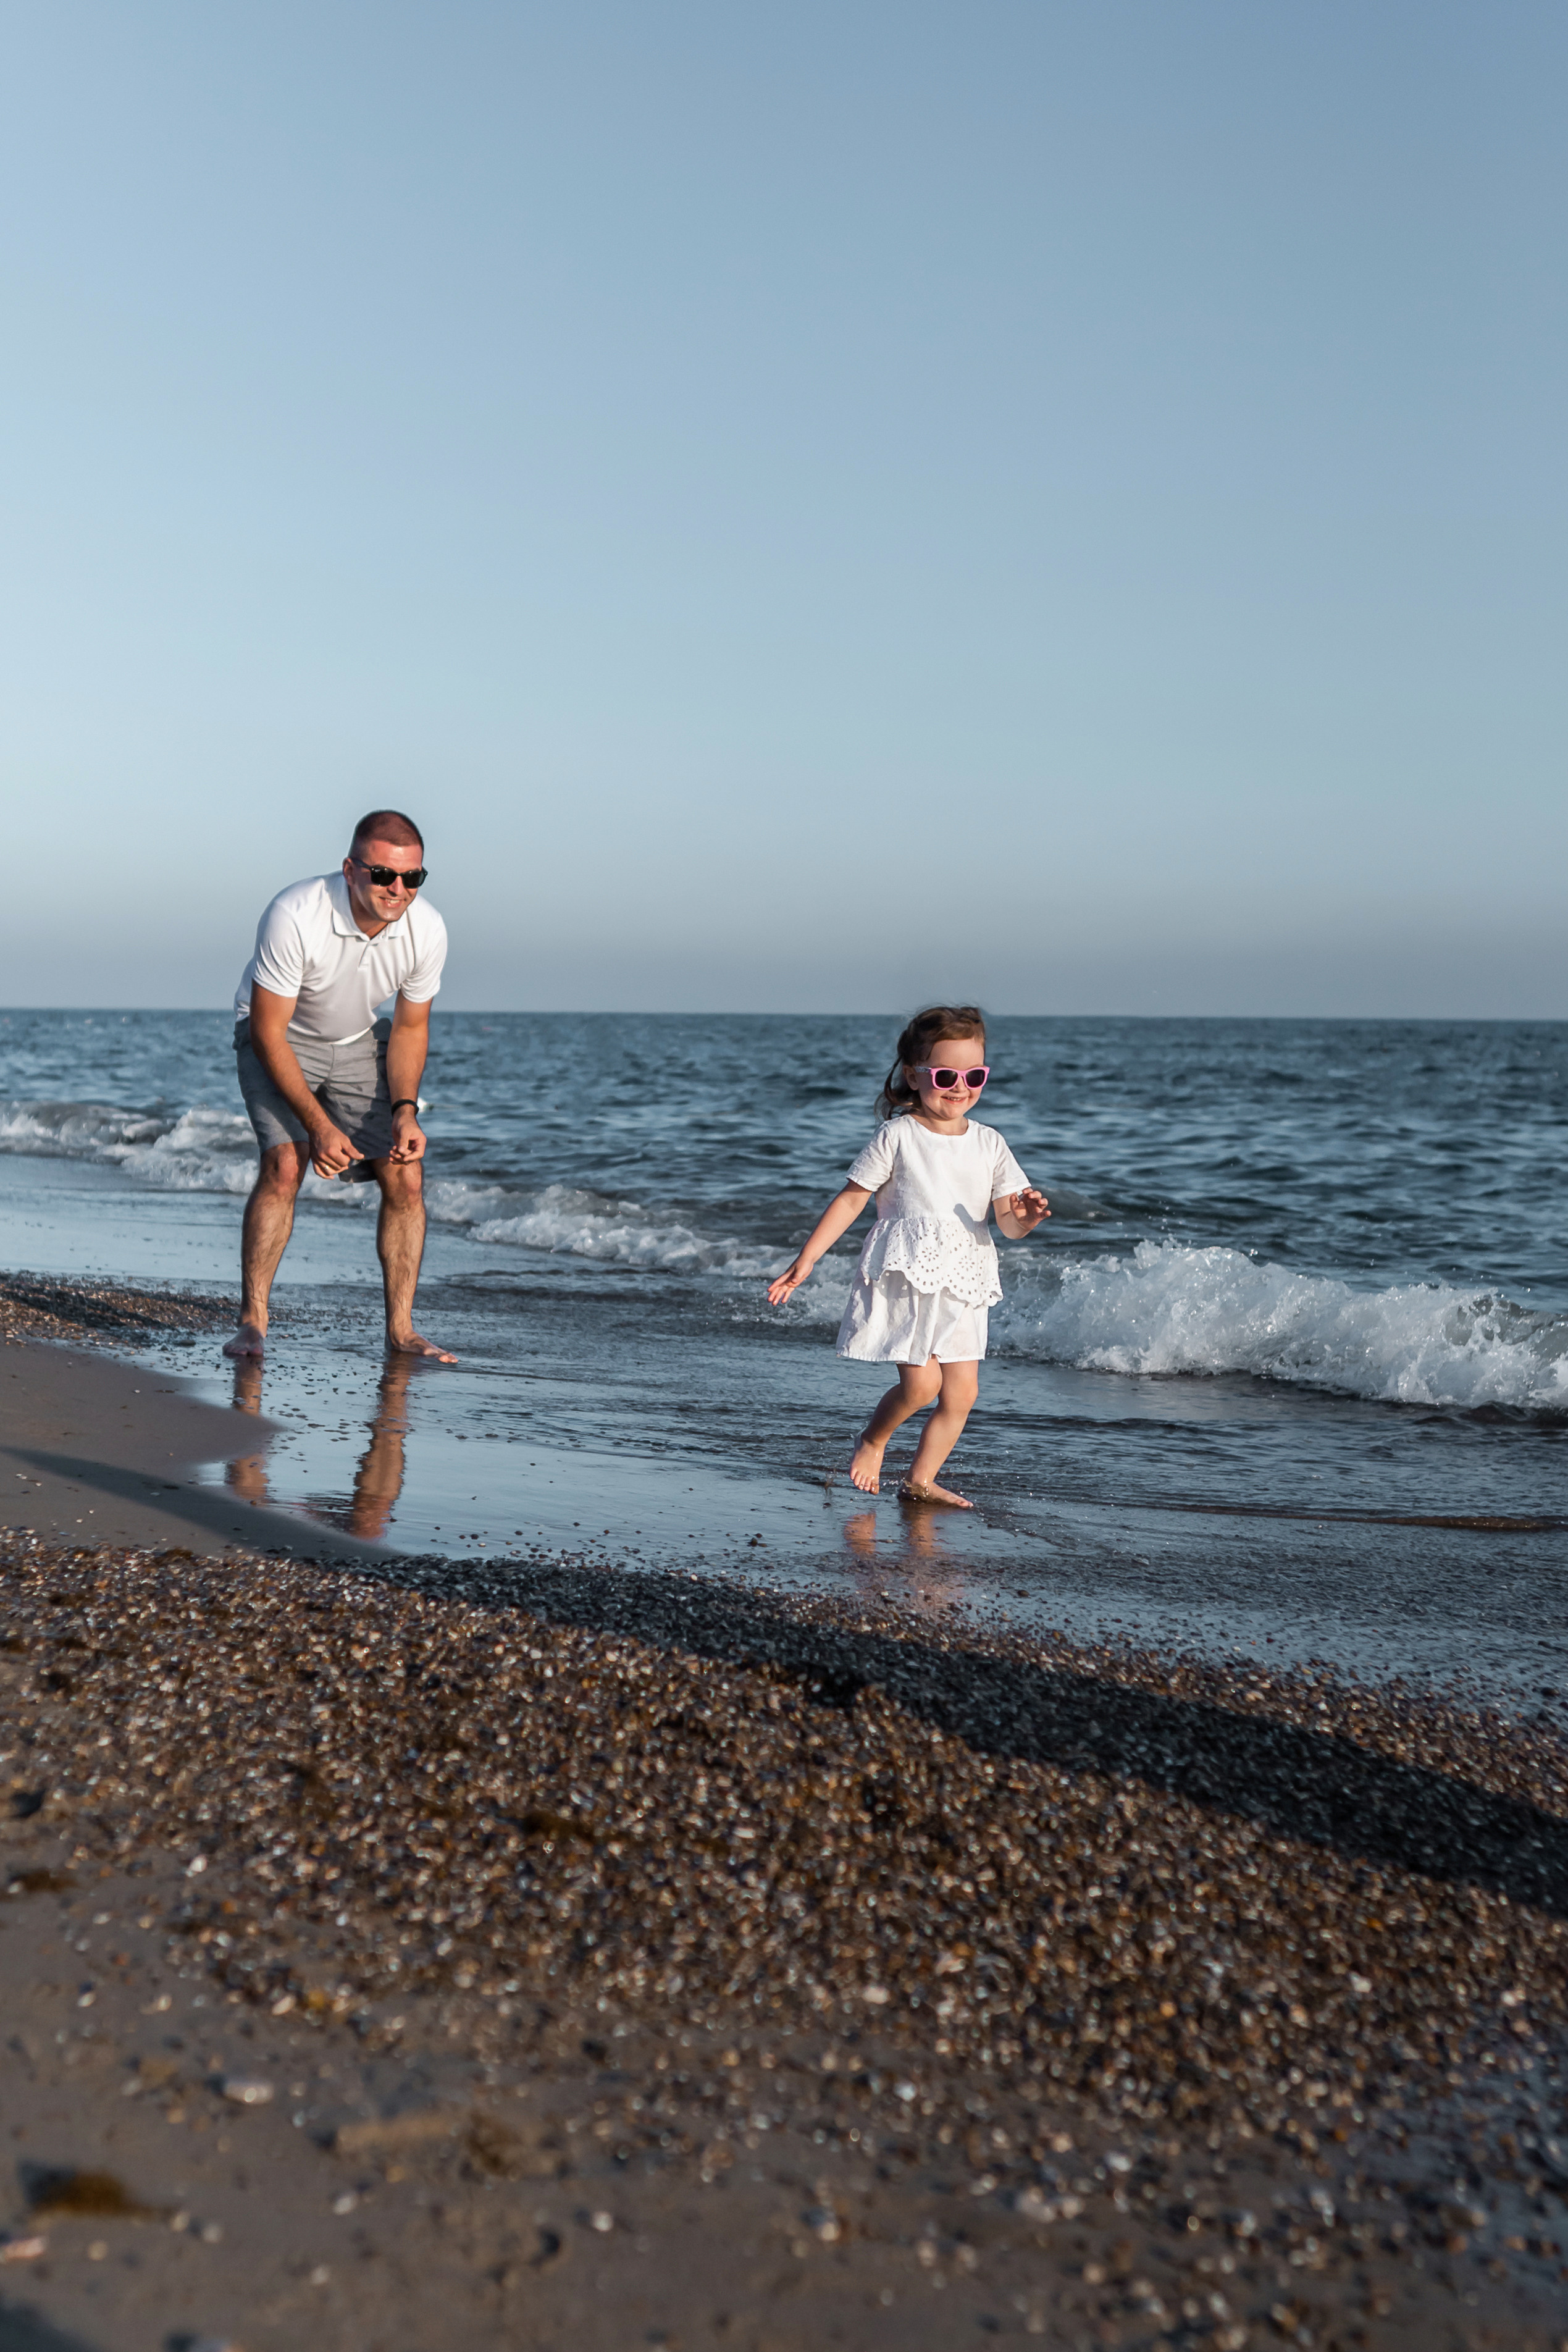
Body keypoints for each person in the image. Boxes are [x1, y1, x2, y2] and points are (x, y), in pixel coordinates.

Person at [766, 1006, 1049, 1506]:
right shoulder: (897, 1136)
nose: (959, 1087)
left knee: (962, 1395)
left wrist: (1025, 1218)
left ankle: (920, 1480)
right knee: (921, 1387)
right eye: (944, 1075)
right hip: (907, 1274)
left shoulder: (990, 1143)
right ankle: (872, 1441)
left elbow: (1007, 1224)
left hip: (964, 1277)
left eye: (974, 1075)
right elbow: (852, 1198)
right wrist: (807, 1258)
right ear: (913, 1076)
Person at [222, 810, 455, 1364]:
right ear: (350, 870)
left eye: (412, 878)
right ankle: (253, 1322)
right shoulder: (295, 913)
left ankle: (401, 1331)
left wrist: (404, 1110)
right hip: (277, 1033)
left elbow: (410, 1029)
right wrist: (319, 1127)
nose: (397, 890)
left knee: (405, 1171)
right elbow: (267, 1032)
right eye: (382, 875)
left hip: (356, 1039)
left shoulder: (428, 930)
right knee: (285, 1165)